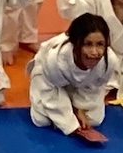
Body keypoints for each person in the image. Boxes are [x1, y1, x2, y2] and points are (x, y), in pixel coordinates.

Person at [28, 13, 115, 144]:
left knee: (94, 120)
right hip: (48, 82)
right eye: (88, 44)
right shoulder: (55, 60)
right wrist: (70, 124)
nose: (94, 52)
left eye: (100, 44)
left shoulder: (109, 61)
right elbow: (50, 92)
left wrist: (80, 108)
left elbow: (94, 87)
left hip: (80, 85)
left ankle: (72, 104)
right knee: (42, 120)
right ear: (75, 44)